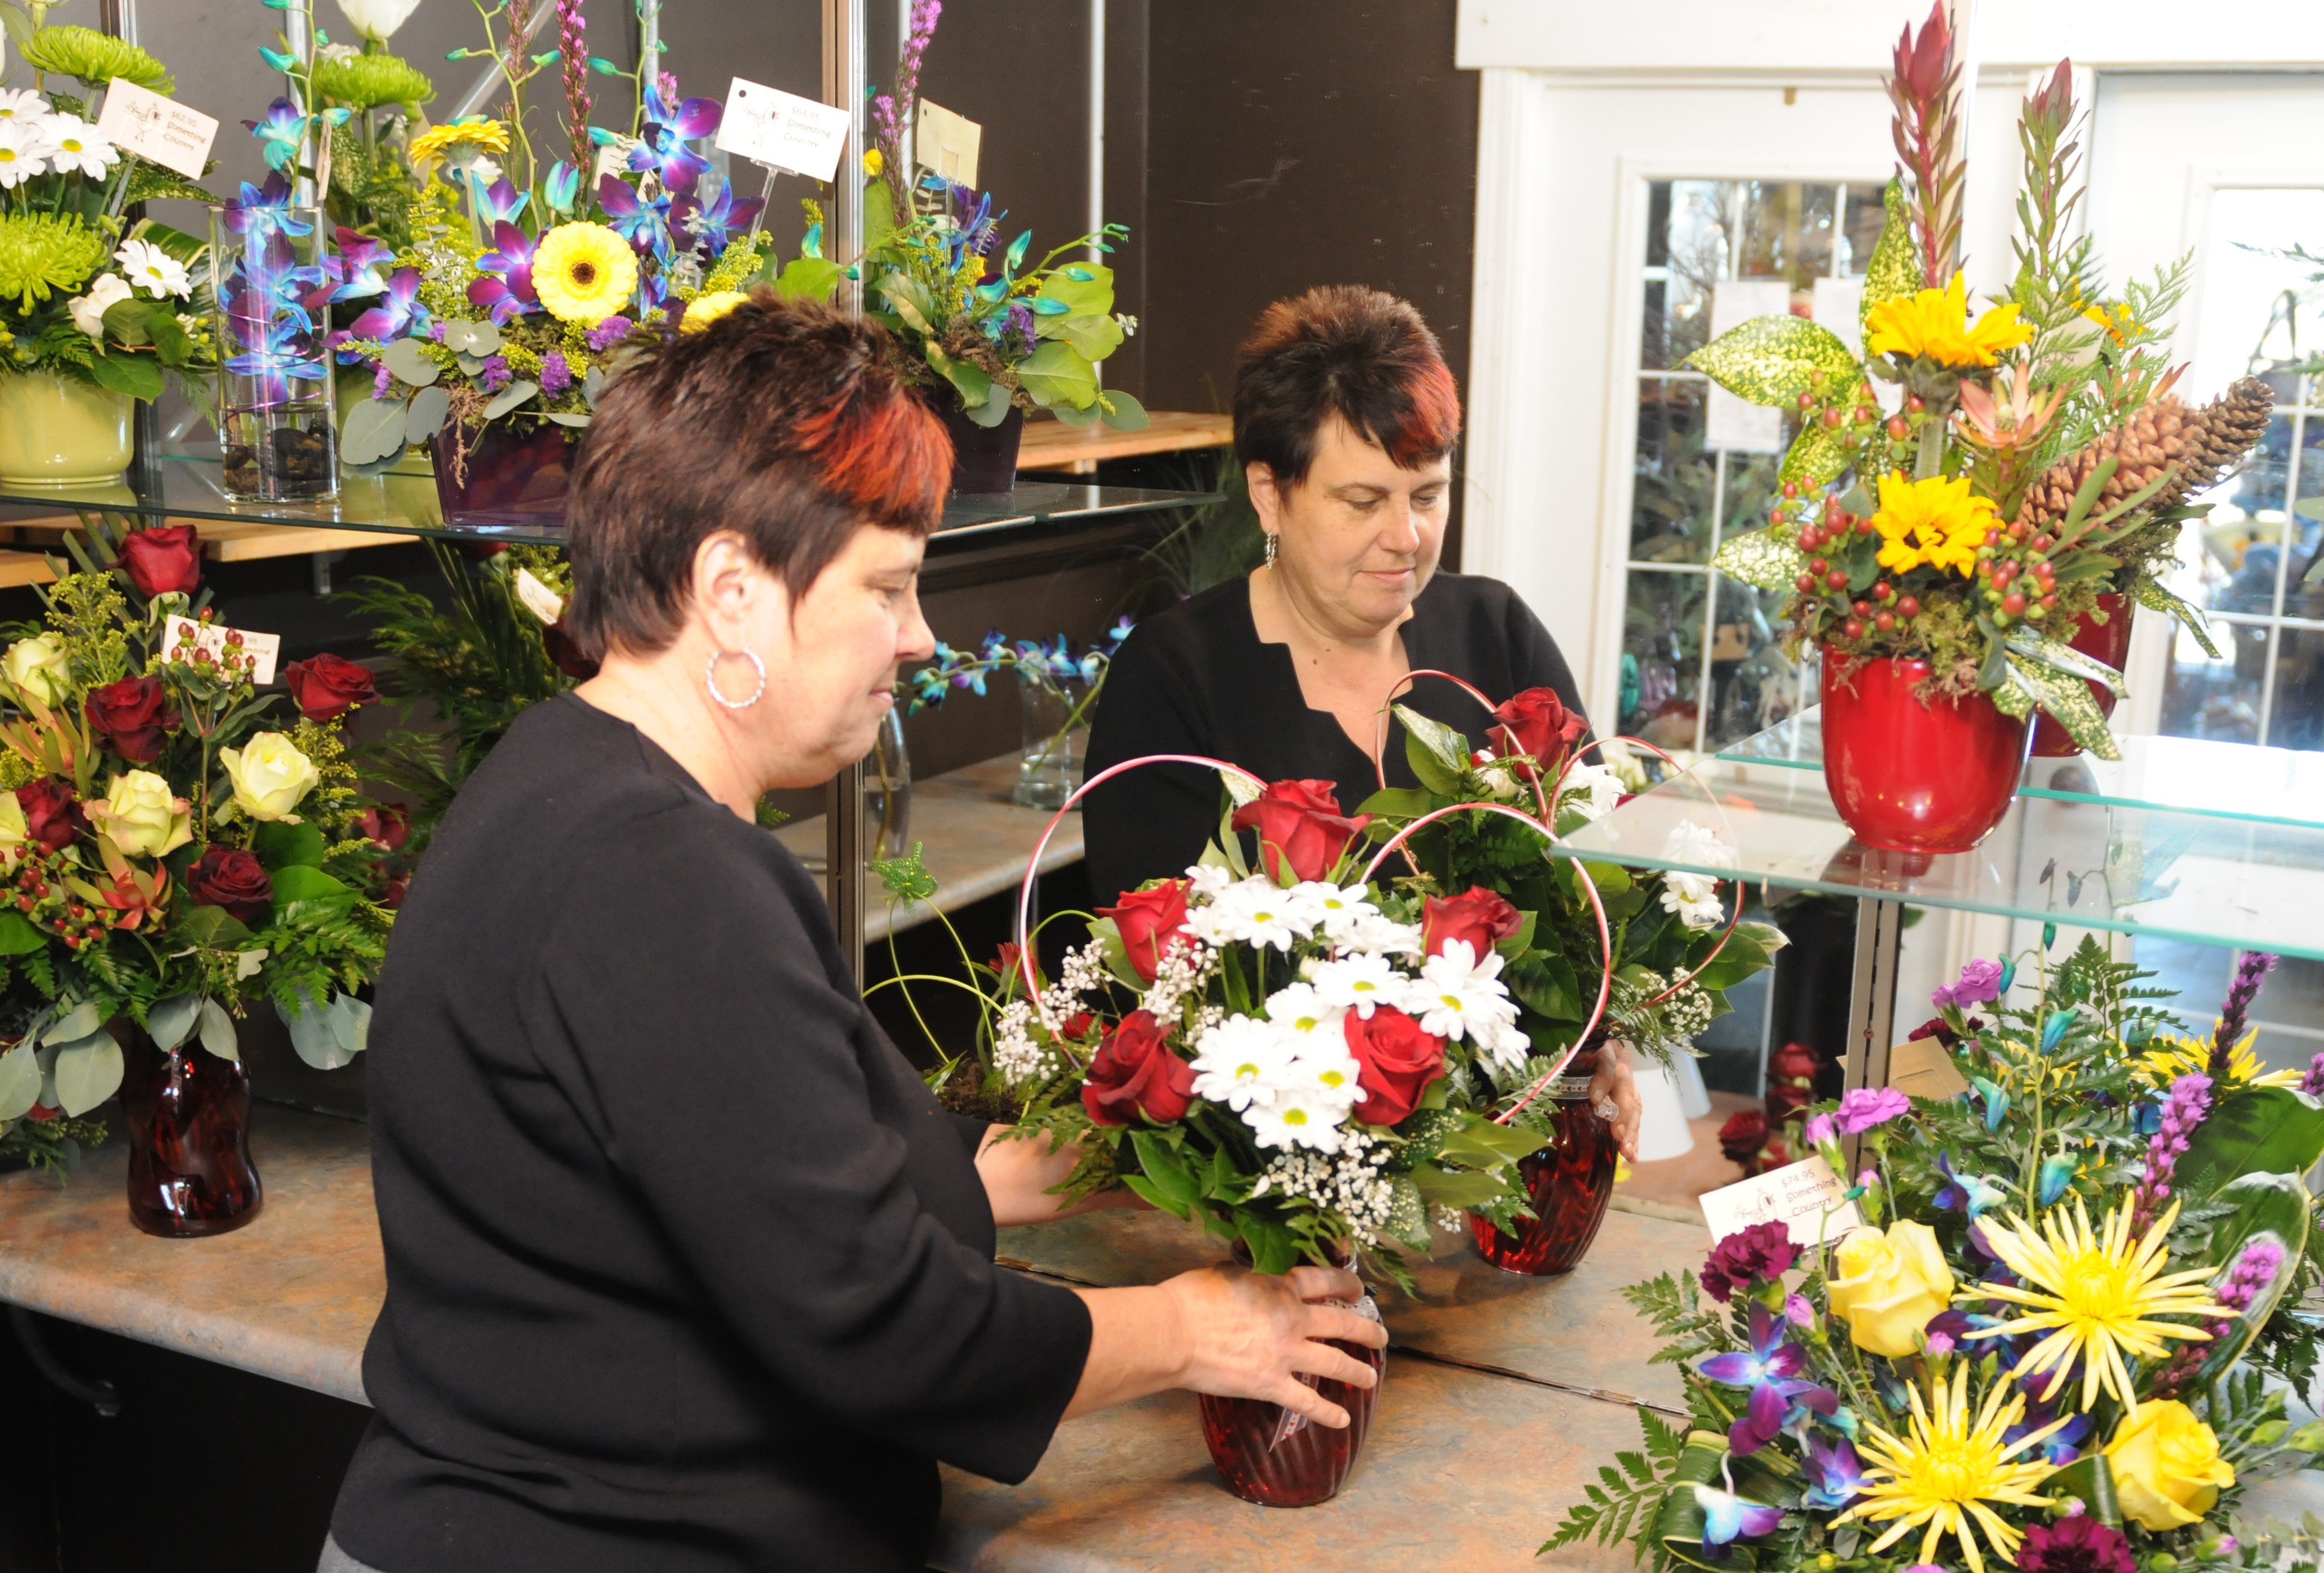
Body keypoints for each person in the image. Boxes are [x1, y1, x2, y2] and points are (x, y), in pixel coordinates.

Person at [321, 296, 1385, 1573]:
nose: (921, 639)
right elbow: (879, 1321)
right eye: (888, 588)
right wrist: (1198, 1327)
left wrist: (1060, 1163)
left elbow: (749, 1182)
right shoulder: (657, 873)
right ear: (730, 590)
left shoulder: (565, 778)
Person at [1082, 285, 1641, 1156]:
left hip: (1505, 1153)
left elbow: (1594, 886)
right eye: (1362, 501)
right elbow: (1159, 985)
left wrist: (1607, 1040)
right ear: (1270, 495)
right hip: (1275, 1157)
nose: (1407, 536)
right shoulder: (1174, 675)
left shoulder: (1496, 634)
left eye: (1427, 494)